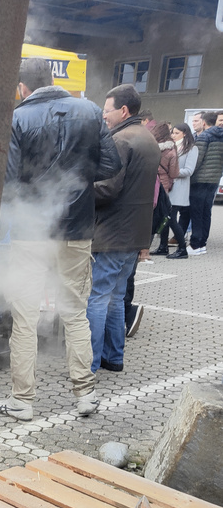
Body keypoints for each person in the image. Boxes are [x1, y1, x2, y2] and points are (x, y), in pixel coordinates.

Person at [0, 57, 122, 421]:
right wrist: (77, 176)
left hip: (32, 233)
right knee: (75, 312)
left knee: (25, 318)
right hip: (77, 229)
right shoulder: (91, 110)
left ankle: (23, 401)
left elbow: (11, 180)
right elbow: (112, 166)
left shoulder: (18, 117)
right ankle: (85, 395)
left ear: (23, 87)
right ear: (51, 79)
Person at [87, 84, 160, 374]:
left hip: (113, 233)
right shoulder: (148, 138)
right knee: (116, 298)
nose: (104, 116)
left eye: (107, 111)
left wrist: (79, 189)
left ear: (123, 111)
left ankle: (88, 365)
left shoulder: (121, 140)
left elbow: (107, 189)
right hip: (134, 234)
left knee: (97, 298)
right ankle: (113, 358)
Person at [188, 111, 223, 255]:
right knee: (206, 212)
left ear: (204, 123)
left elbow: (197, 159)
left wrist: (190, 175)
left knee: (196, 211)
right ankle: (202, 244)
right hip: (214, 180)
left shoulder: (204, 136)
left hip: (200, 179)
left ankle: (195, 244)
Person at [149, 122, 185, 259]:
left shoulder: (150, 147)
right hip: (164, 188)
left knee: (156, 217)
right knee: (169, 218)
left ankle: (162, 247)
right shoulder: (171, 151)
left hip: (151, 184)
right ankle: (182, 248)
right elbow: (174, 173)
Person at [167, 122, 197, 246]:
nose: (173, 135)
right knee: (166, 217)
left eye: (176, 133)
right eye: (172, 133)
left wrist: (172, 172)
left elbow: (189, 170)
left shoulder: (191, 148)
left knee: (171, 218)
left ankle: (181, 245)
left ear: (184, 134)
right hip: (168, 186)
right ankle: (163, 246)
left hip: (179, 187)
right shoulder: (171, 147)